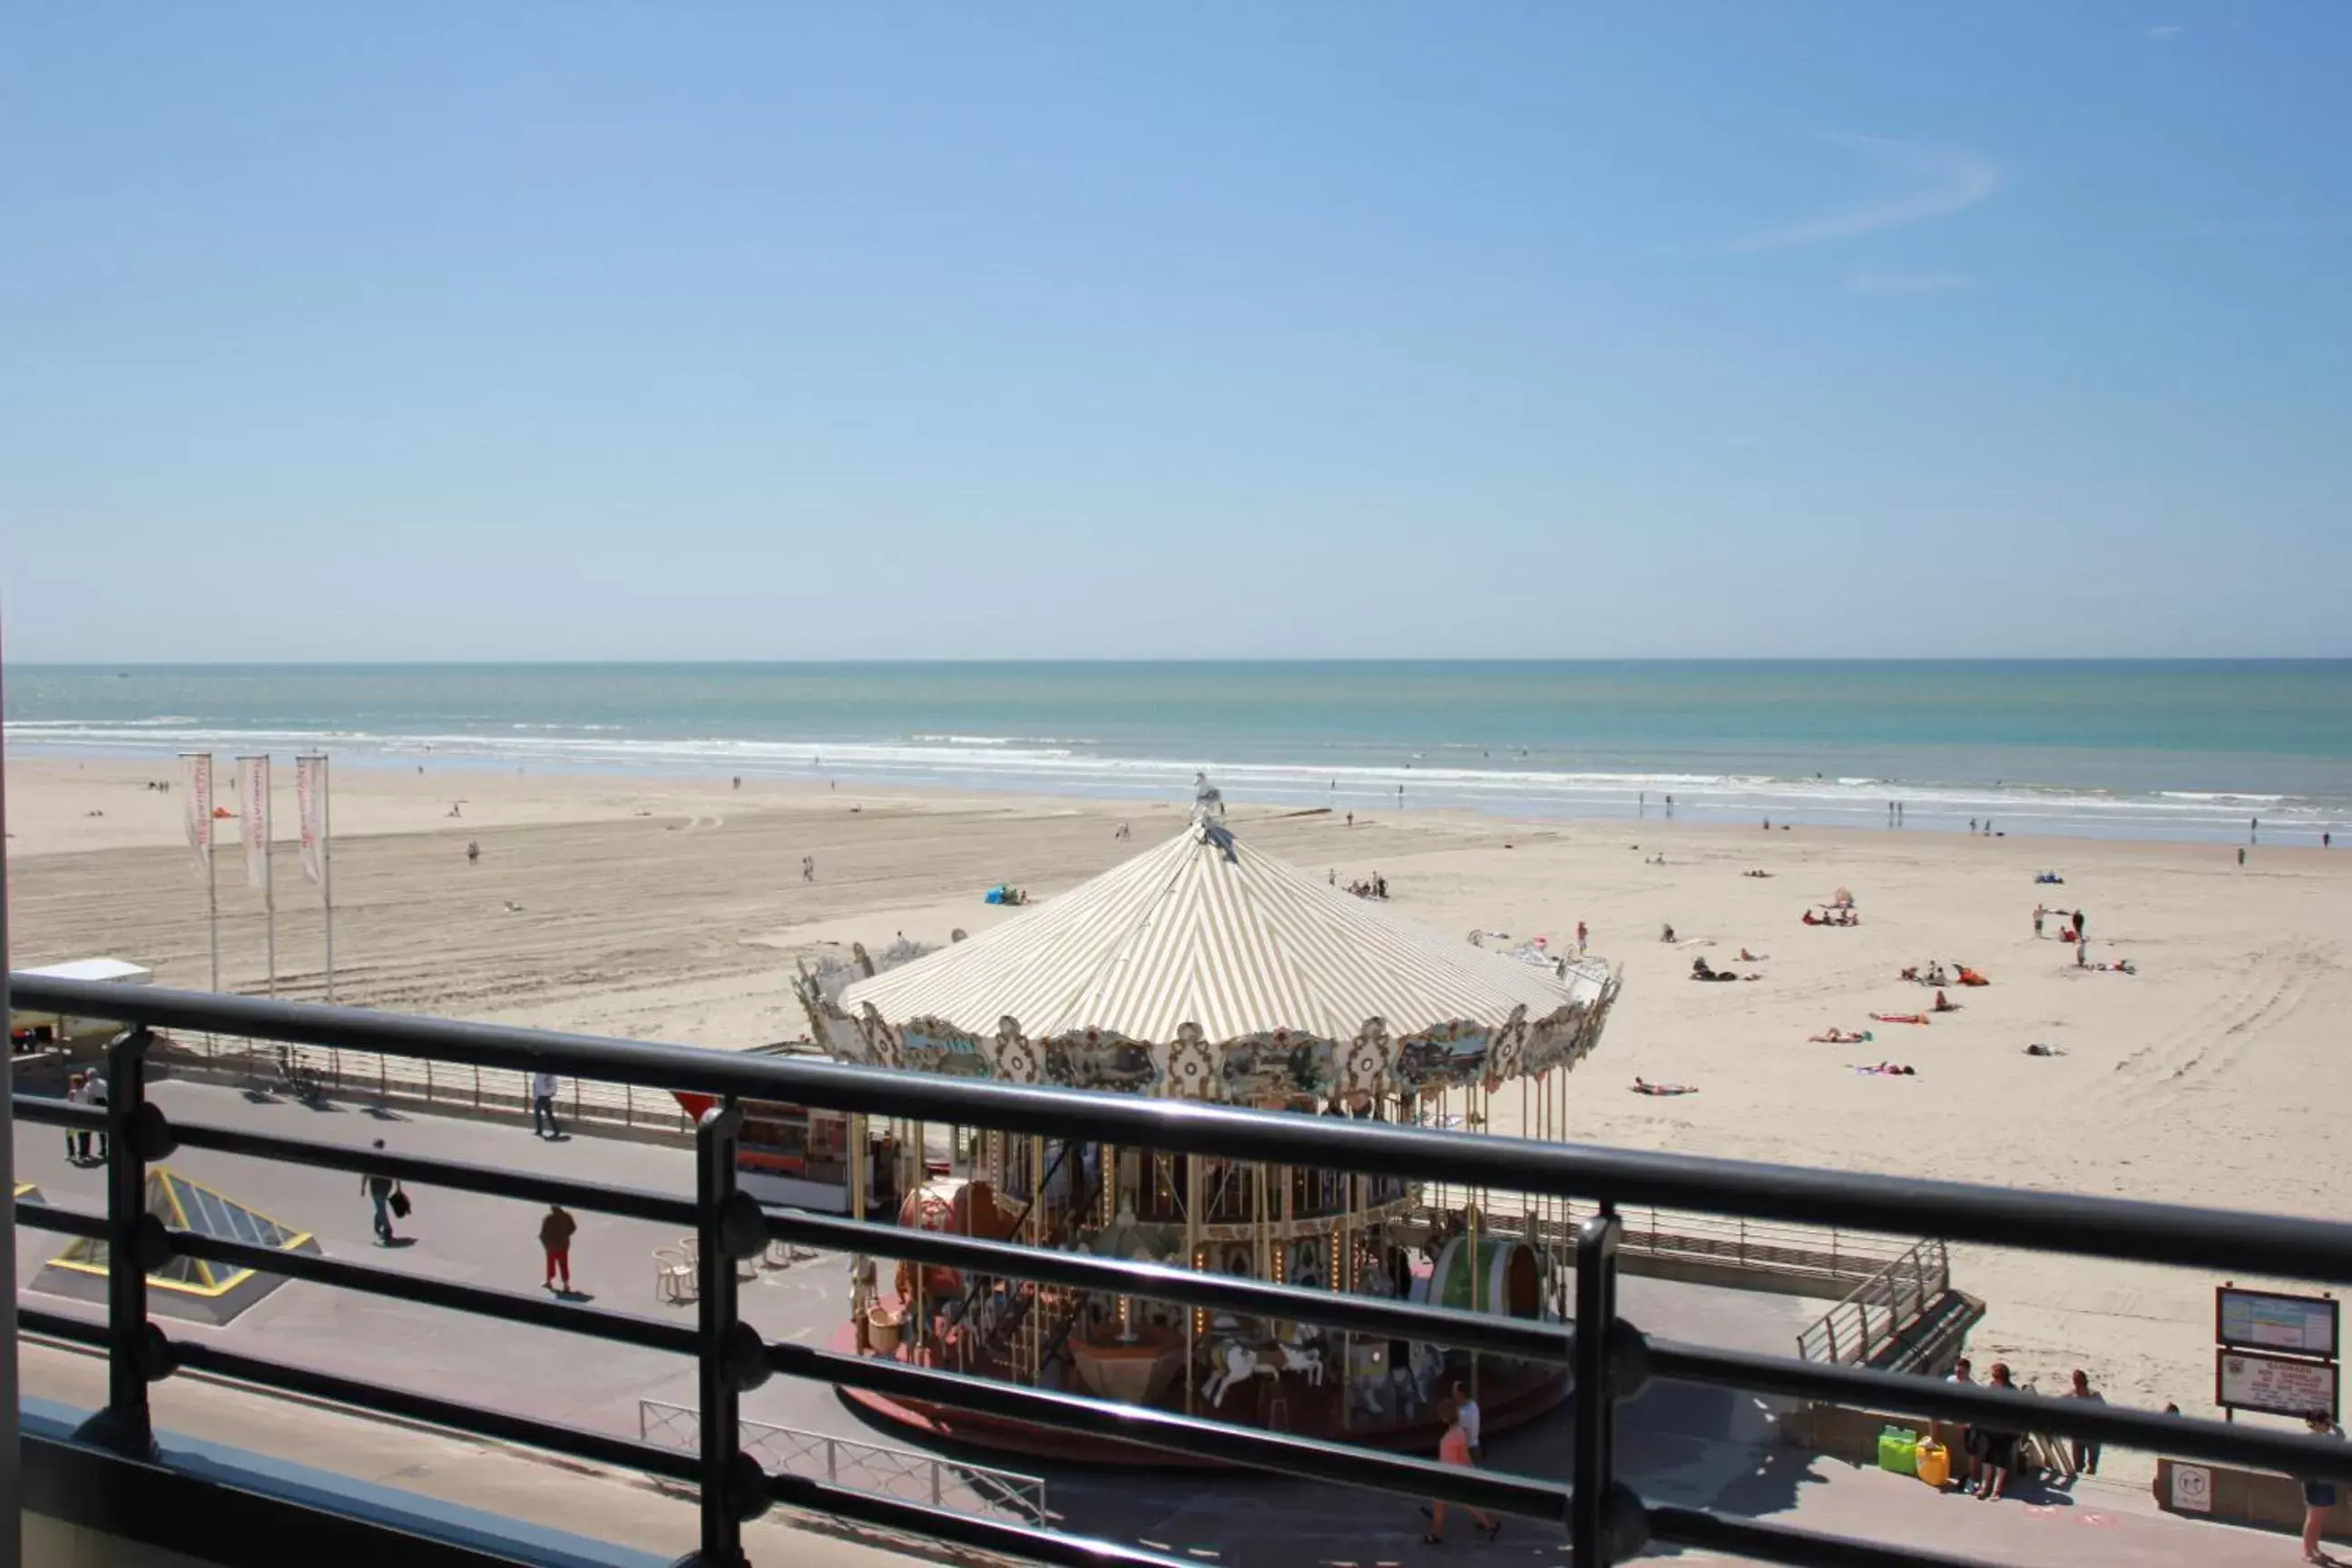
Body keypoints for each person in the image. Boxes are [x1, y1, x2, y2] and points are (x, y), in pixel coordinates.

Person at [1422, 1400, 1499, 1544]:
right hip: (1449, 1473)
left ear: (1445, 1417)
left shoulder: (1454, 1435)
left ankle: (1490, 1524)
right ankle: (1437, 1533)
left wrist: (1470, 1470)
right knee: (1443, 1503)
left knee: (1460, 1502)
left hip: (1450, 1475)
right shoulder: (1458, 1432)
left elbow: (1464, 1457)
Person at [1972, 1362, 2021, 1499]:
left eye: (1995, 1375)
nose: (1992, 1377)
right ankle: (1984, 1487)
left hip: (2004, 1431)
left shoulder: (2012, 1391)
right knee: (1987, 1458)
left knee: (2001, 1460)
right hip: (1990, 1429)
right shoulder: (1991, 1387)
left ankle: (1996, 1490)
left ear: (2002, 1377)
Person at [2305, 1411, 2344, 1564]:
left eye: (2329, 1423)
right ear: (2316, 1424)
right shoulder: (2308, 1441)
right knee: (2313, 1518)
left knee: (2320, 1520)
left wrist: (2332, 1423)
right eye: (2325, 1423)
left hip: (2328, 1483)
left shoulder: (2328, 1438)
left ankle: (2316, 1549)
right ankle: (2308, 1552)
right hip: (2315, 1484)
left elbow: (2341, 1434)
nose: (2329, 1426)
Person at [1941, 1357, 1981, 1494]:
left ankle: (1972, 1477)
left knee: (1972, 1446)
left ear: (1968, 1372)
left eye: (1961, 1372)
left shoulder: (1974, 1388)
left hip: (1967, 1419)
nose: (1958, 1375)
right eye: (1956, 1372)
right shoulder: (1950, 1381)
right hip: (1953, 1415)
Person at [2063, 1368, 2102, 1477]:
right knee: (2078, 1466)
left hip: (2093, 1437)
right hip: (2078, 1436)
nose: (2076, 1384)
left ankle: (2089, 1484)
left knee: (2092, 1466)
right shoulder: (2071, 1396)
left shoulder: (2095, 1396)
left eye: (2077, 1381)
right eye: (2075, 1381)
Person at [363, 1141, 400, 1245]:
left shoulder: (372, 1158)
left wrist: (363, 1187)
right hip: (386, 1186)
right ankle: (378, 1223)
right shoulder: (387, 1158)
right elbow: (396, 1174)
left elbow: (366, 1174)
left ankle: (387, 1229)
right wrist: (398, 1187)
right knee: (381, 1206)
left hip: (376, 1187)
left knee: (380, 1207)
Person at [540, 1203, 577, 1293]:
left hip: (551, 1246)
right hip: (563, 1245)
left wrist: (546, 1244)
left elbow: (543, 1234)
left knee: (550, 1264)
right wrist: (565, 1235)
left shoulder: (548, 1218)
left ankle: (549, 1282)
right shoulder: (567, 1216)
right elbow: (573, 1228)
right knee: (564, 1264)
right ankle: (566, 1285)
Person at [532, 1069, 561, 1139]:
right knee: (546, 1113)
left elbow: (536, 1083)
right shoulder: (540, 1073)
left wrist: (549, 1093)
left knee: (539, 1113)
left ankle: (540, 1130)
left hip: (543, 1096)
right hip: (541, 1096)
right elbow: (535, 1084)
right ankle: (555, 1130)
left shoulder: (548, 1074)